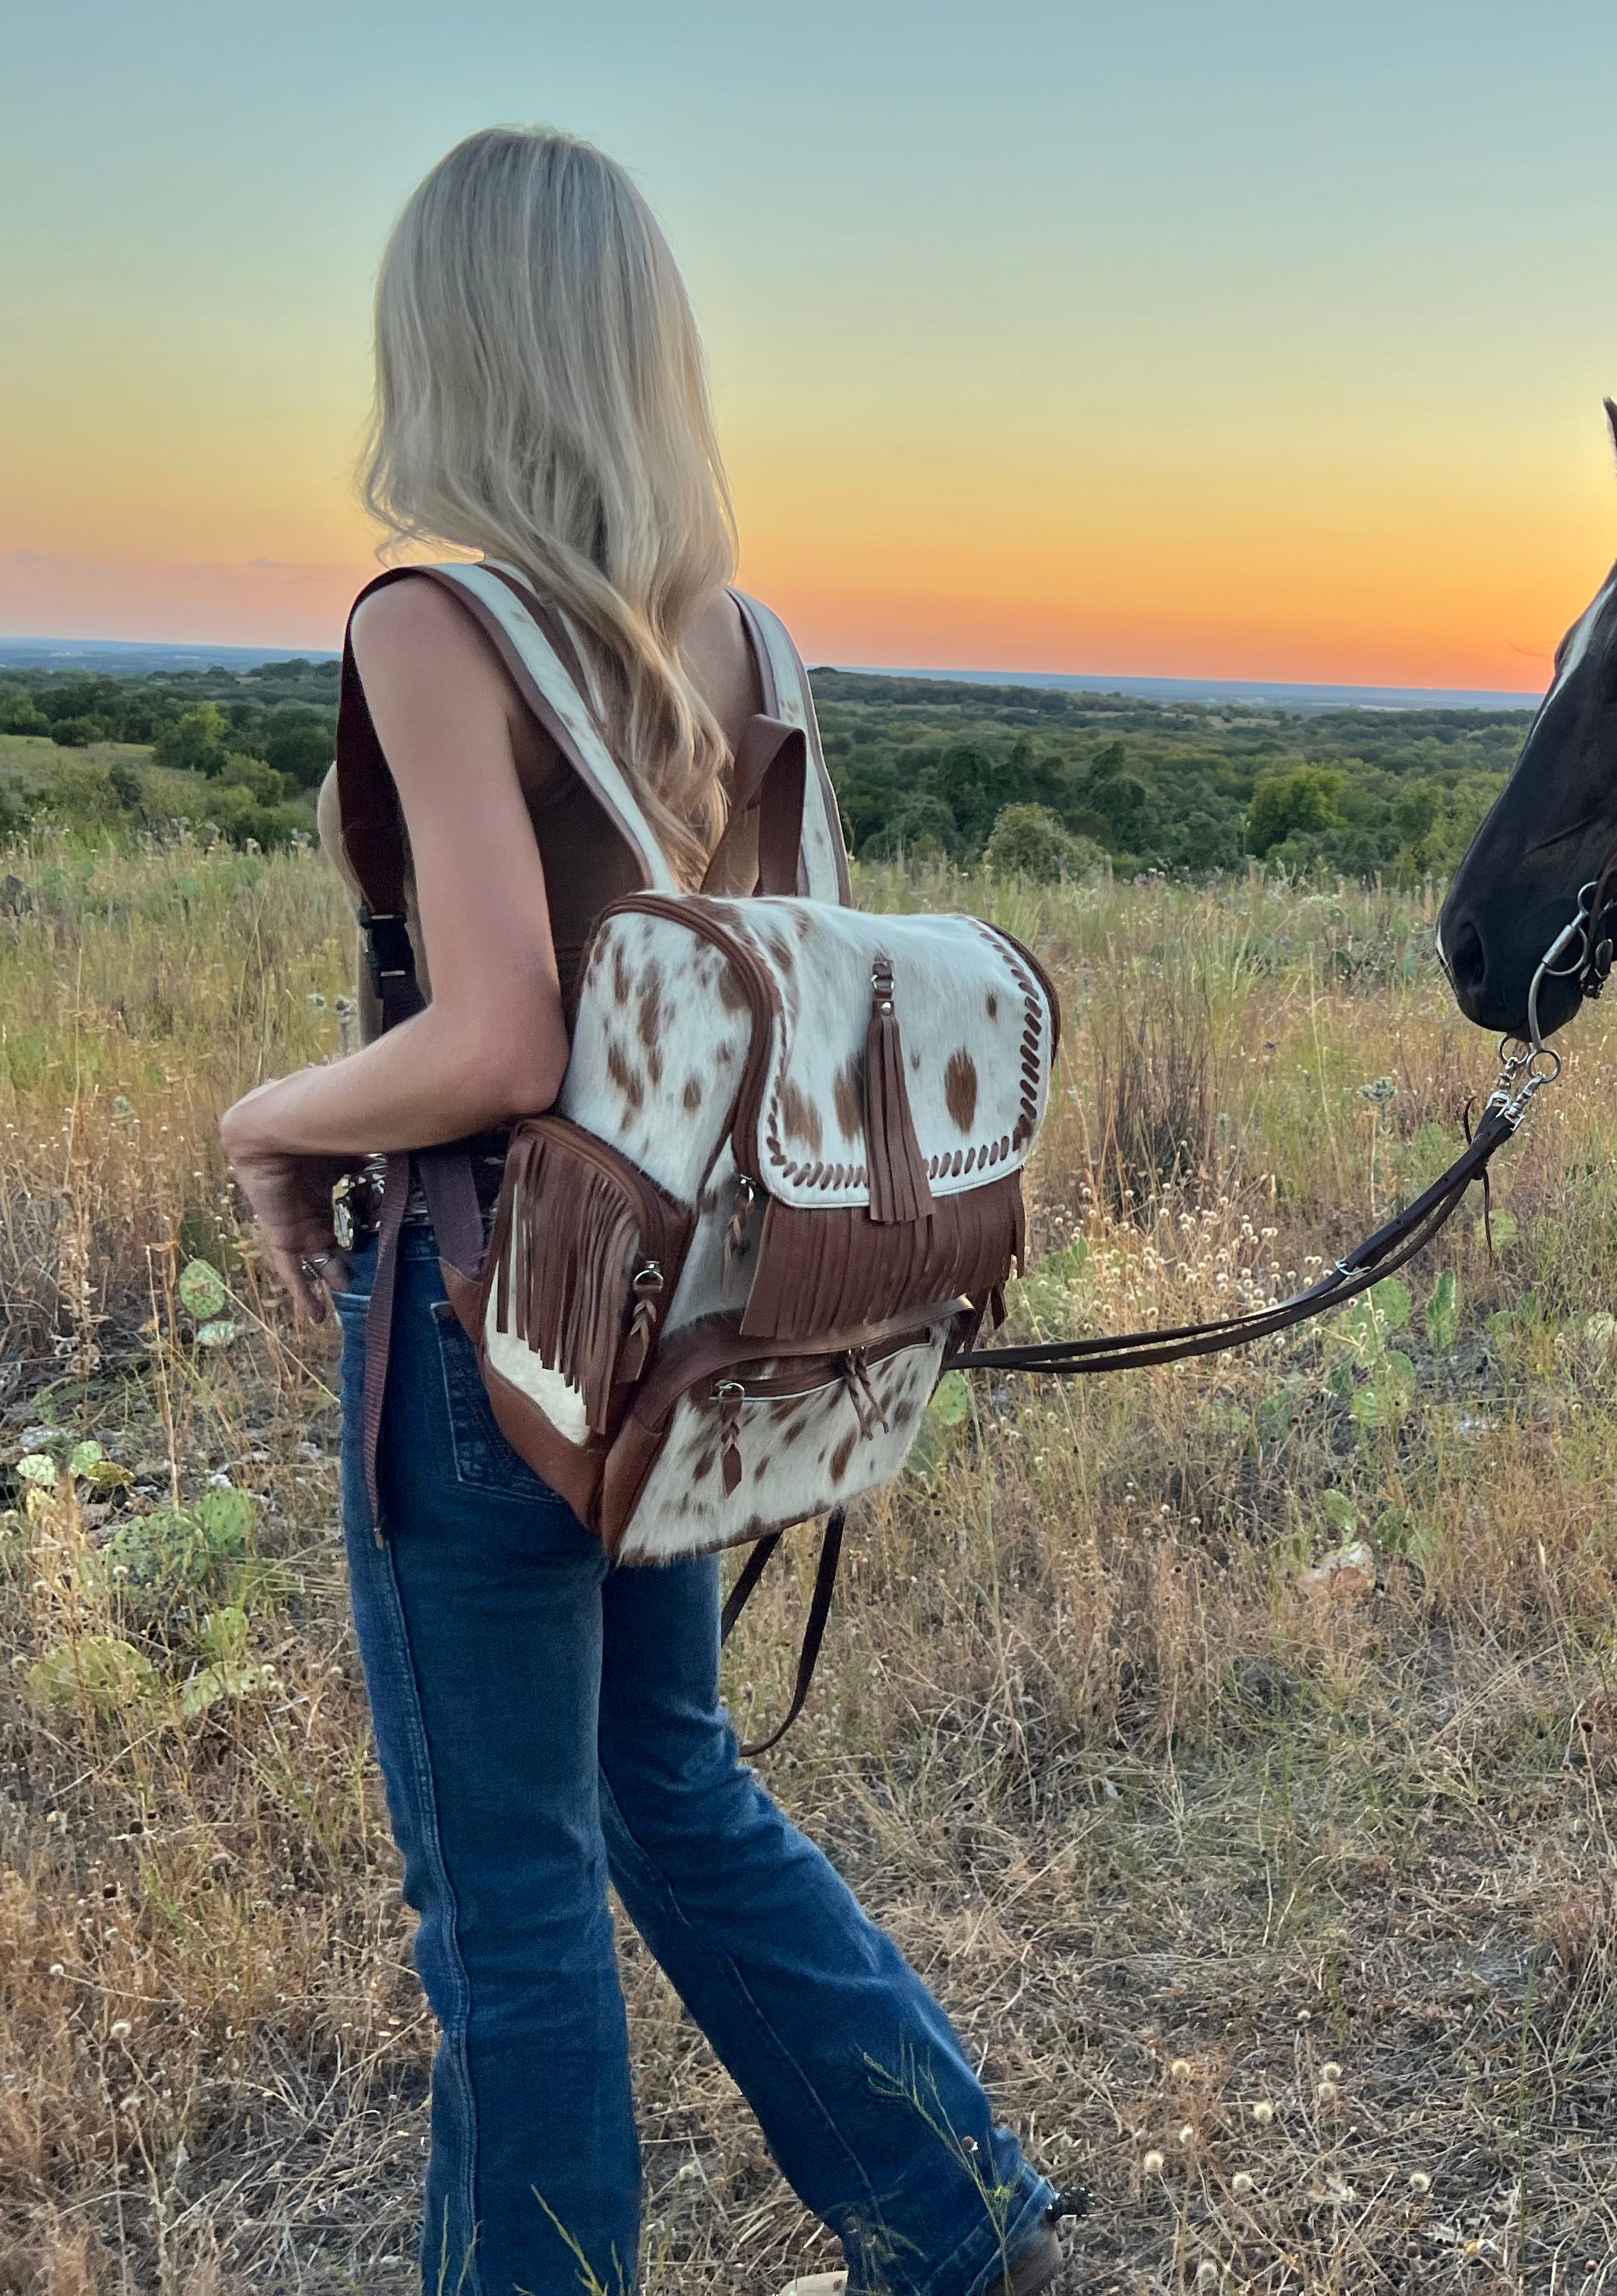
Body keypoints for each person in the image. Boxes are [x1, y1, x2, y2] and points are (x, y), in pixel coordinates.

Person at [218, 126, 1069, 2296]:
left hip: (487, 1330)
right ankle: (960, 2219)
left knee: (505, 1903)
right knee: (677, 1798)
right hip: (685, 1335)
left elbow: (501, 1034)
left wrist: (271, 1115)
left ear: (447, 348)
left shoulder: (430, 617)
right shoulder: (745, 637)